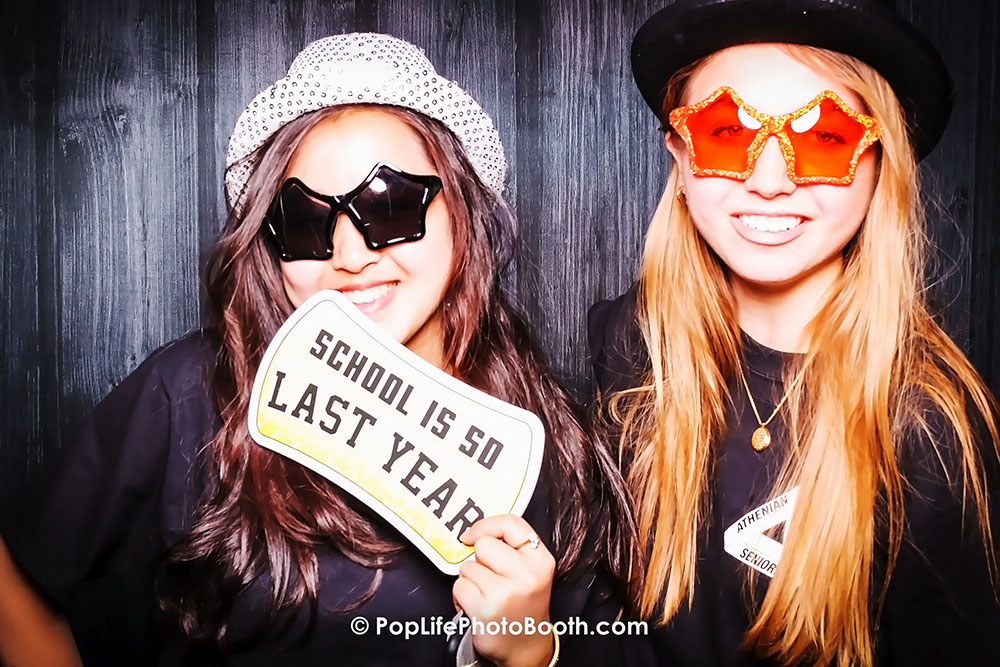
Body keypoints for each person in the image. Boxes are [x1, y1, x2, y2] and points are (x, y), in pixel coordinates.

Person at [0, 33, 631, 666]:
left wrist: (531, 653)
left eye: (389, 206)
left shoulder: (543, 432)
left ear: (461, 210)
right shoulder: (194, 390)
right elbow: (16, 573)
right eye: (305, 222)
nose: (352, 256)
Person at [589, 1, 1000, 665]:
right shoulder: (629, 345)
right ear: (681, 153)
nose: (770, 180)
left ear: (878, 163)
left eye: (825, 138)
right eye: (726, 132)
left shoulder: (928, 429)